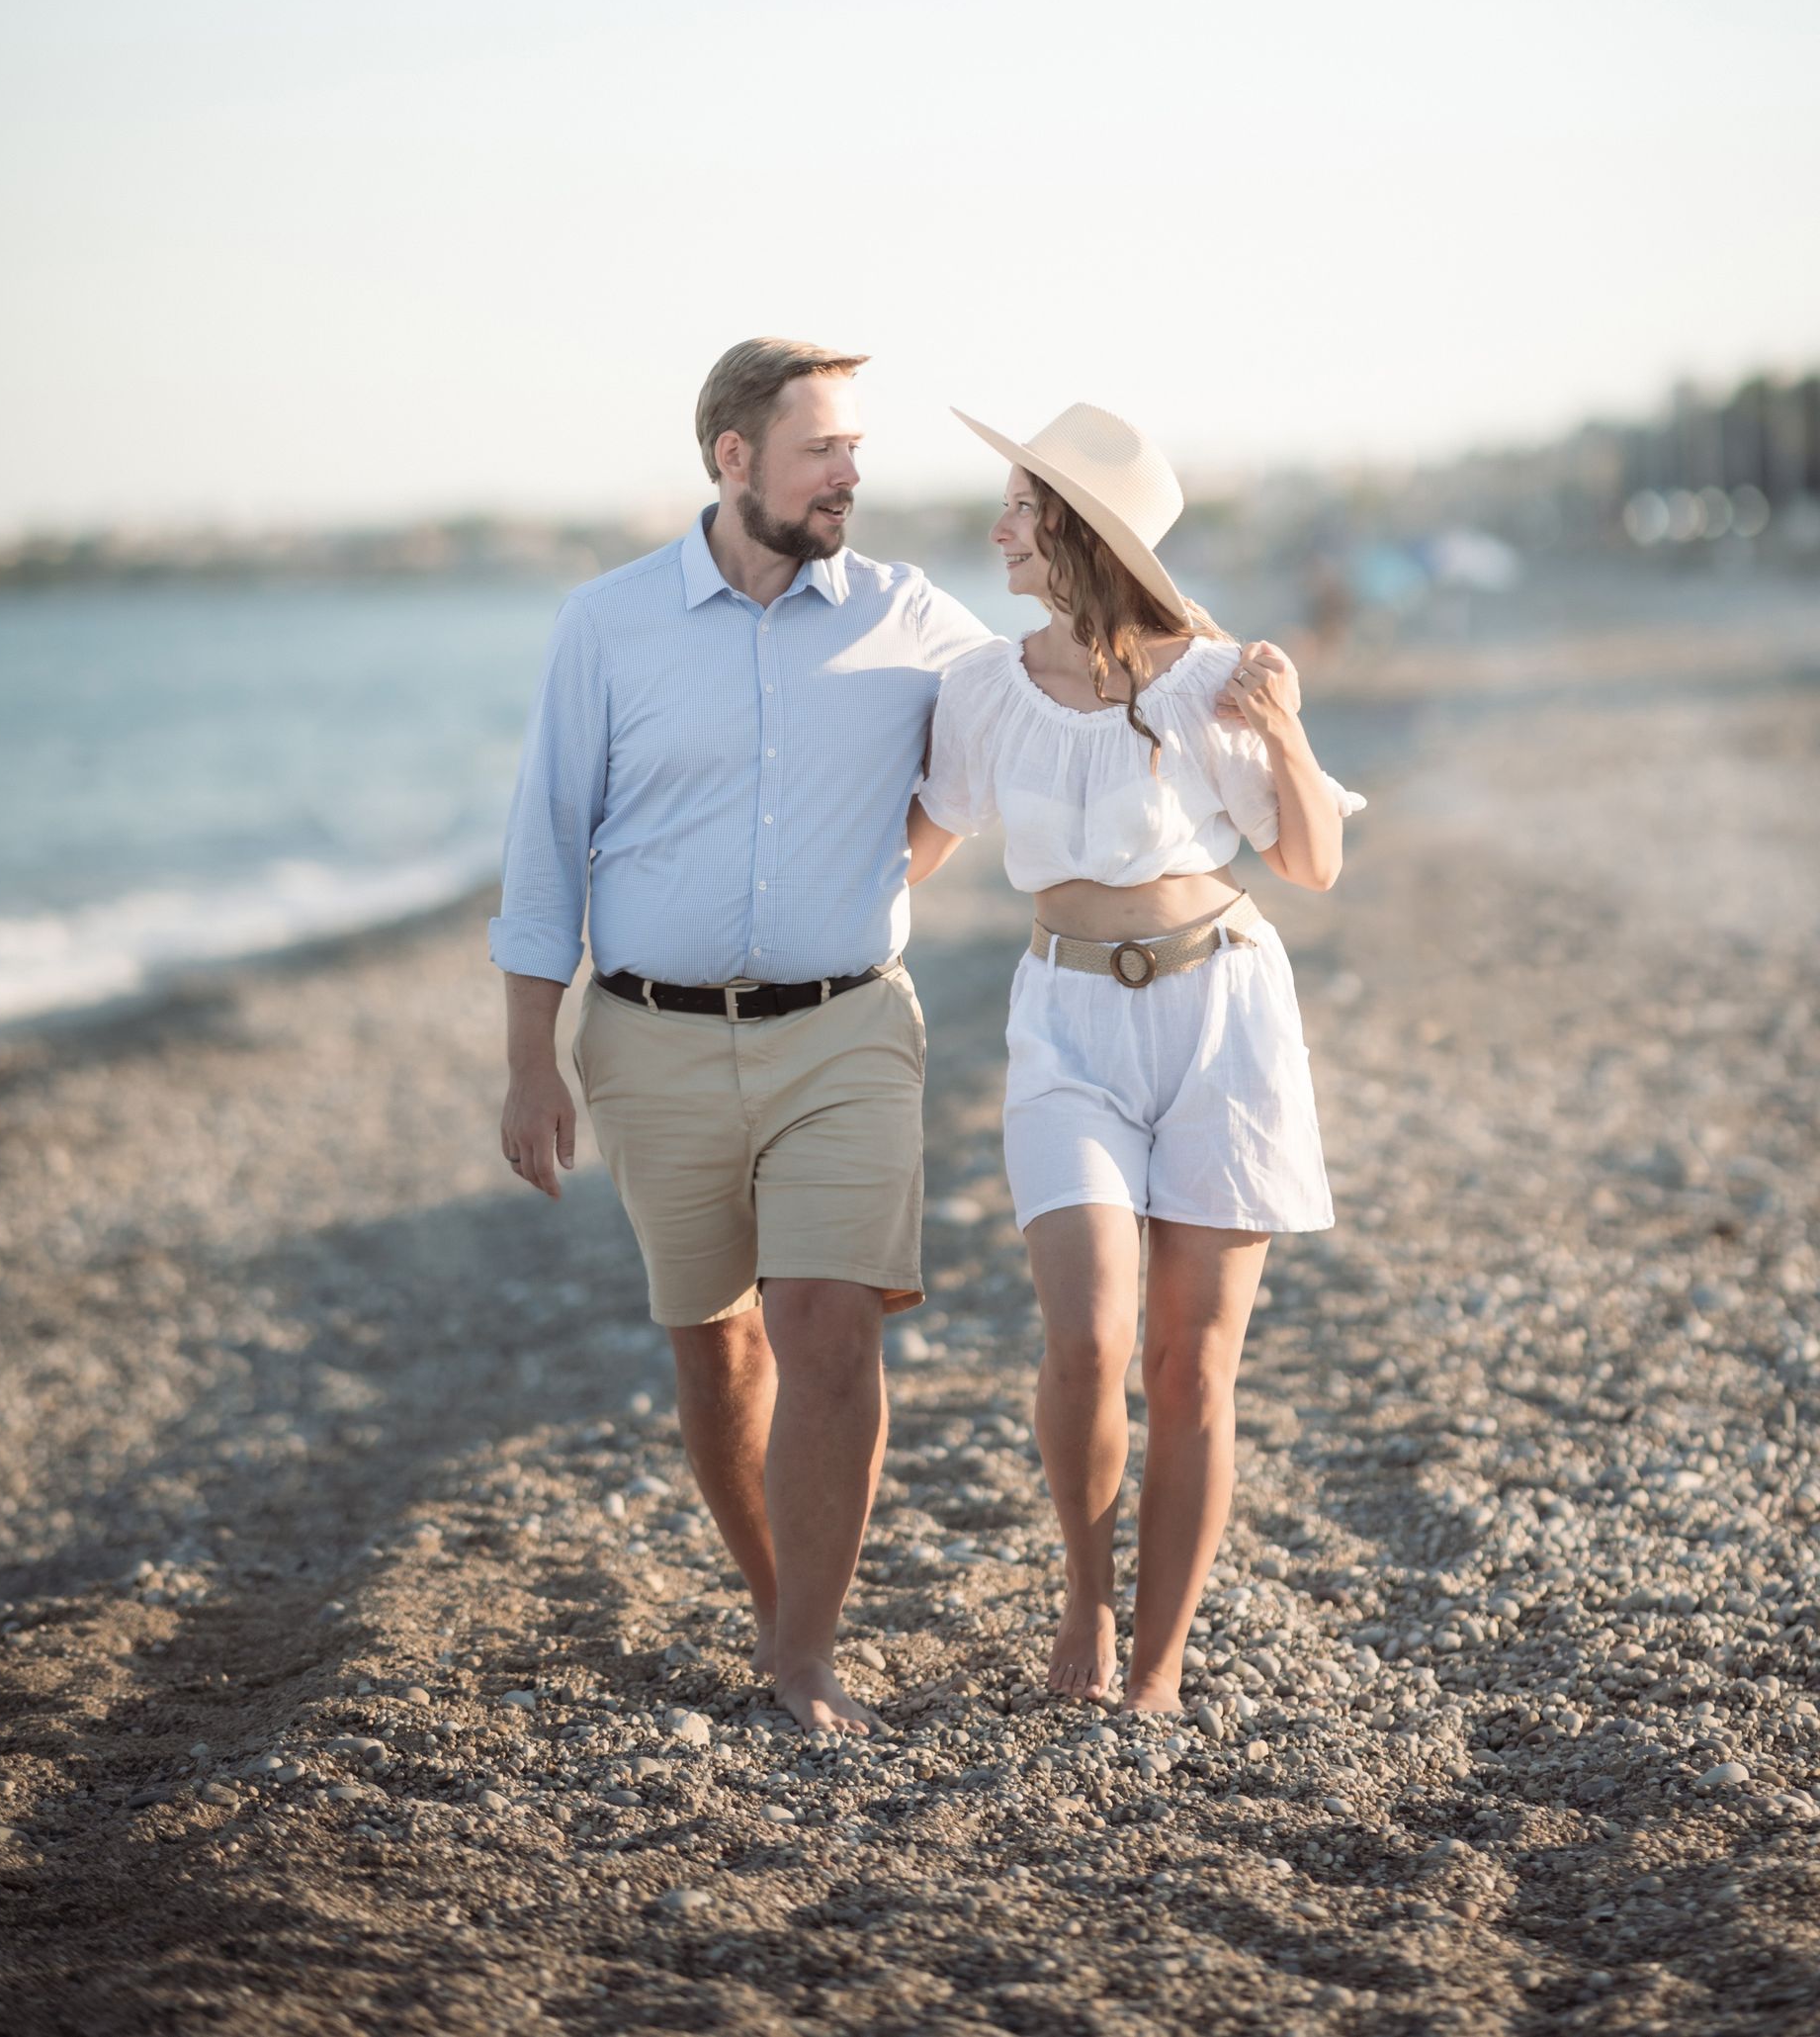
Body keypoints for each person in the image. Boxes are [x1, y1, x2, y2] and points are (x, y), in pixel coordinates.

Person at [490, 339, 991, 1733]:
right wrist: (532, 1062)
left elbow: (1018, 718)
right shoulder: (608, 622)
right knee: (717, 1345)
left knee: (829, 1324)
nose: (850, 473)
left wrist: (902, 857)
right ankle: (782, 1602)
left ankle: (806, 1656)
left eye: (856, 449)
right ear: (732, 456)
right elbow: (547, 848)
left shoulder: (911, 614)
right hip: (648, 1040)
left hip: (846, 1032)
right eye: (821, 446)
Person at [906, 401, 1363, 1712]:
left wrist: (1281, 726)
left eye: (1020, 503)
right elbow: (915, 844)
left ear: (1079, 529)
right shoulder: (986, 687)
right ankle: (1088, 1605)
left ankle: (1157, 1666)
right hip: (1066, 1025)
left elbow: (1313, 862)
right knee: (1089, 1336)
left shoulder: (1211, 677)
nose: (998, 525)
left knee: (1192, 1361)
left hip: (1222, 1014)